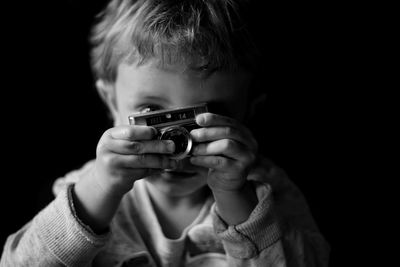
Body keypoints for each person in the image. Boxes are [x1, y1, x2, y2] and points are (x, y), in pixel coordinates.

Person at [0, 0, 330, 266]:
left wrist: (238, 199)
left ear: (248, 110)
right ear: (109, 99)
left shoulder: (269, 194)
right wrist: (98, 190)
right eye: (150, 111)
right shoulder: (84, 195)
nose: (176, 143)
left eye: (208, 116)